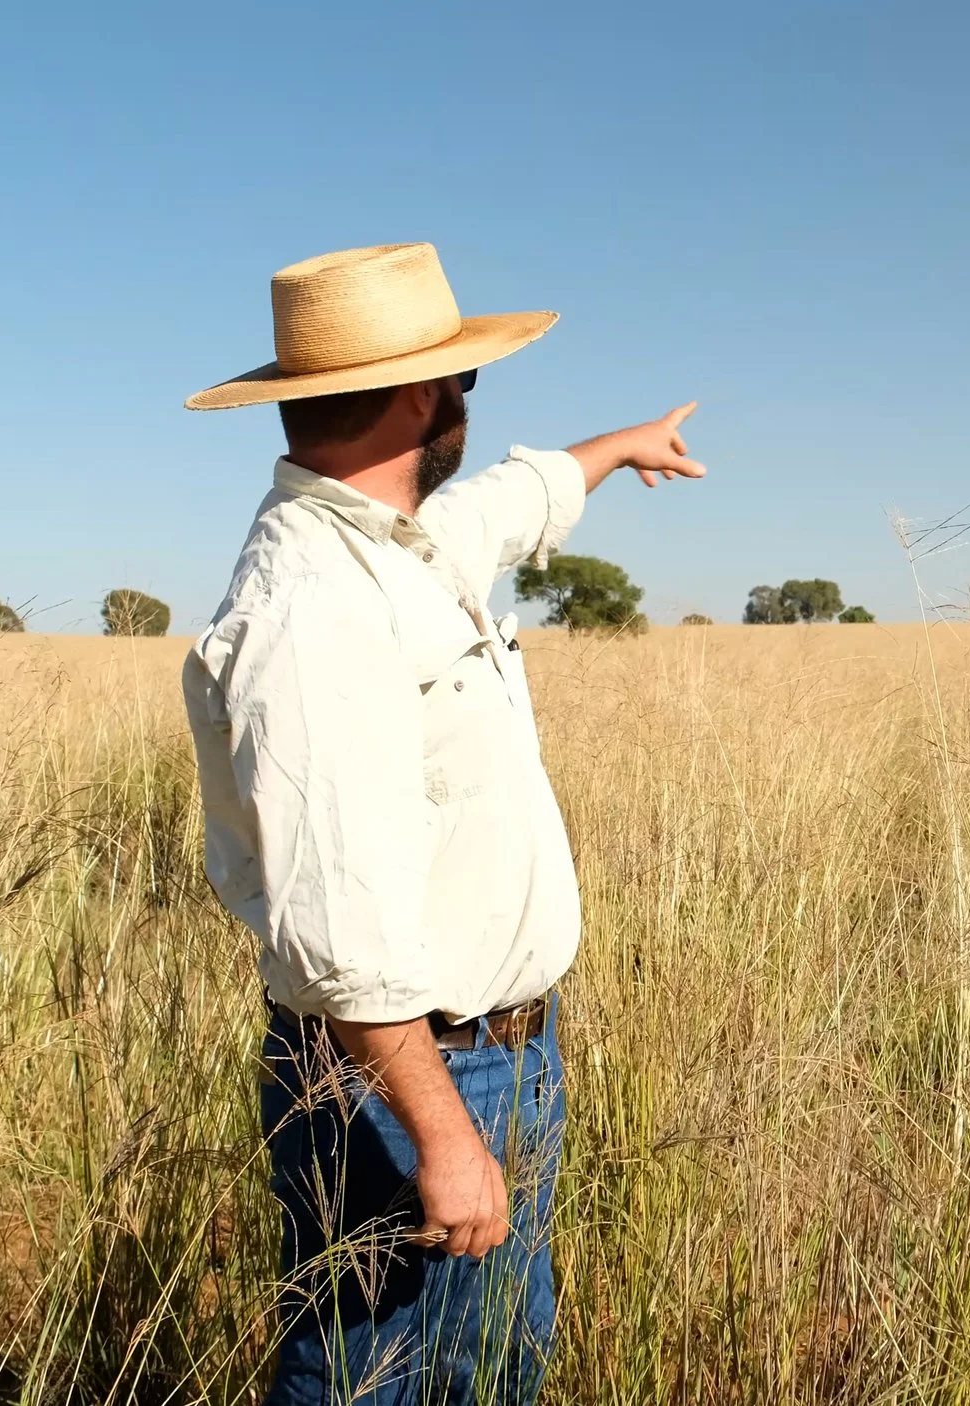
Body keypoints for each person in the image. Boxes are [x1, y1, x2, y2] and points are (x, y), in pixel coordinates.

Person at [179, 243, 706, 1404]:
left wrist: (617, 448)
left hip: (490, 1057)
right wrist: (445, 1138)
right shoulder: (318, 607)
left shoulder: (398, 550)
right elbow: (334, 923)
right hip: (410, 1075)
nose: (469, 403)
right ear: (426, 395)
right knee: (377, 1377)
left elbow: (501, 508)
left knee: (493, 1365)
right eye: (464, 380)